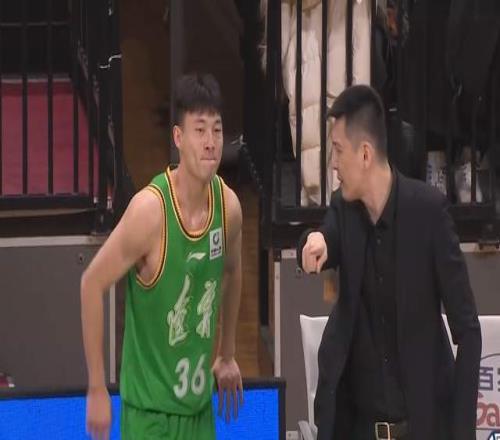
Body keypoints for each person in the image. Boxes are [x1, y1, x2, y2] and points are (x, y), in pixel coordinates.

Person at [298, 85, 481, 440]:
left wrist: (462, 433)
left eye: (338, 150)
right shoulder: (343, 208)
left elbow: (468, 330)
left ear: (365, 154)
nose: (333, 163)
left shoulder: (428, 213)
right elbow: (326, 236)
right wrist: (313, 241)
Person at [81, 73, 243, 440]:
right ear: (178, 137)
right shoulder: (149, 212)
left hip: (199, 413)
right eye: (199, 130)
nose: (210, 142)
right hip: (150, 417)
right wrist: (96, 387)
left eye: (217, 130)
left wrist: (228, 352)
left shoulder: (229, 207)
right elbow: (91, 284)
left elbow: (233, 271)